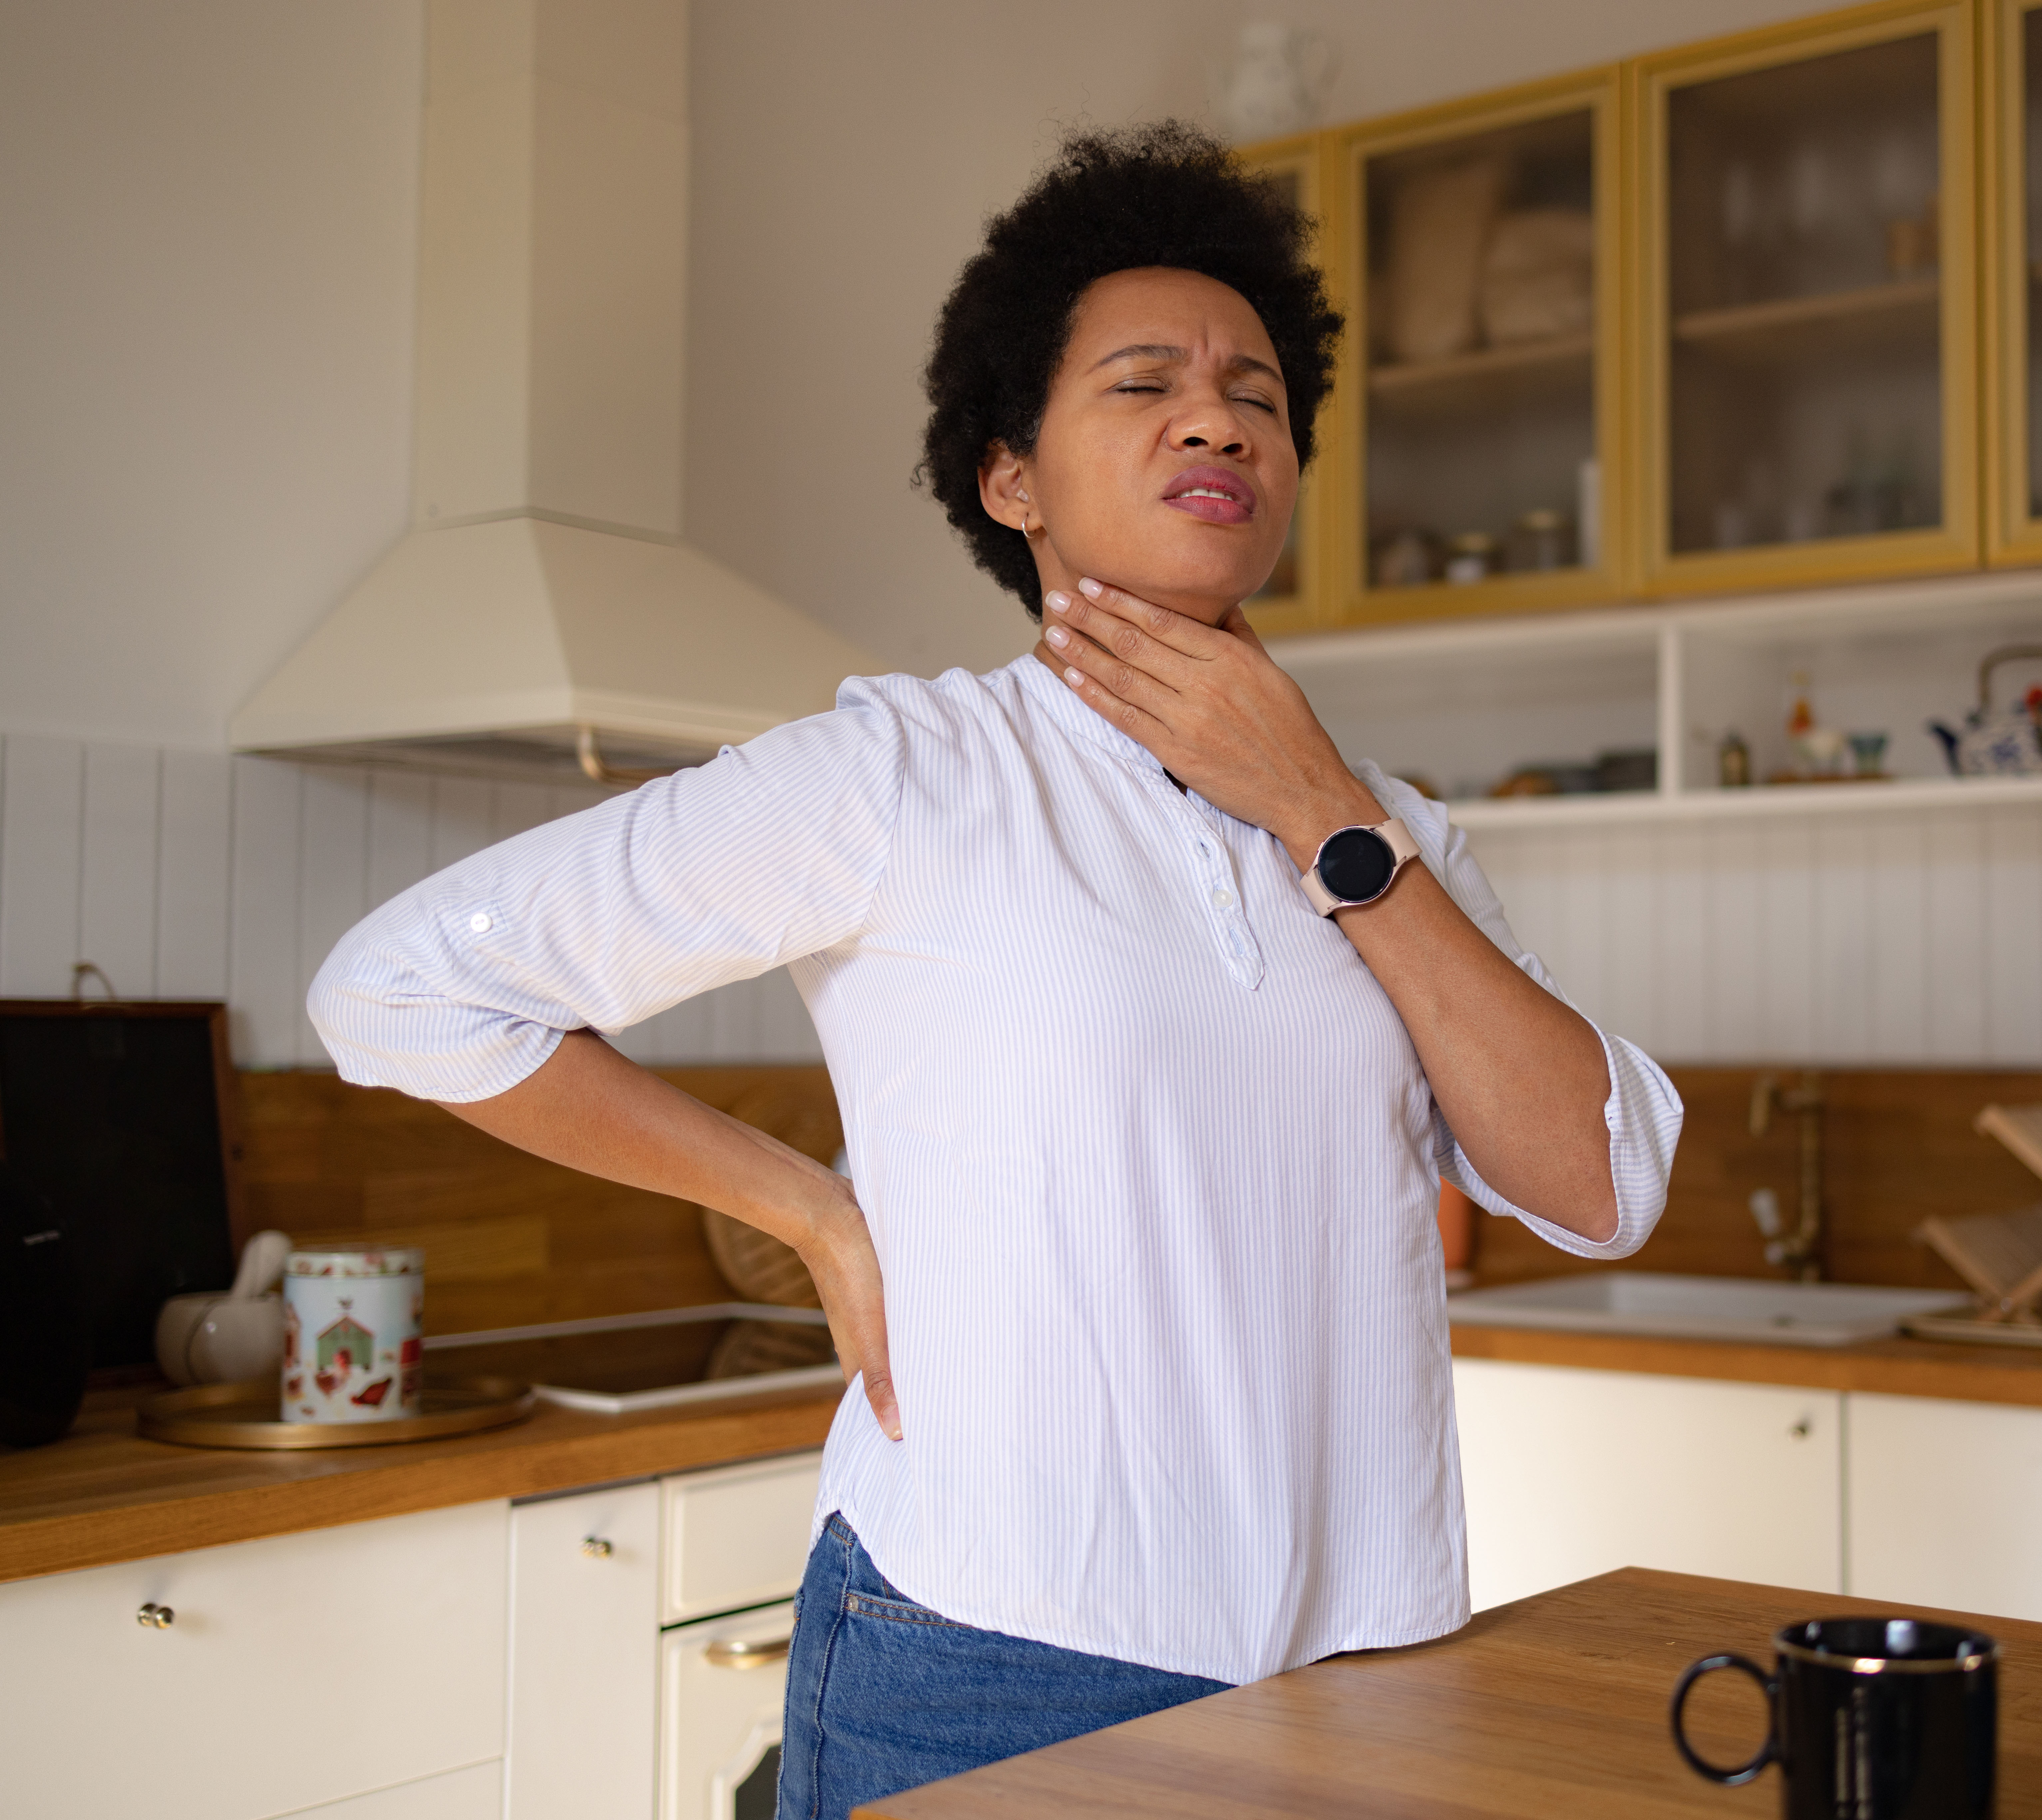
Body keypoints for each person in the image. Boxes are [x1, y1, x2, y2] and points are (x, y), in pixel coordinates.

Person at [309, 121, 1679, 1813]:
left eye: (1259, 392)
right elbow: (394, 991)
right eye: (1144, 382)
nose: (1218, 416)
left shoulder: (1391, 831)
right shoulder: (906, 776)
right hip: (992, 1658)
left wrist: (1321, 809)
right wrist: (807, 1207)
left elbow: (1599, 1187)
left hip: (1364, 1658)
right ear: (1008, 475)